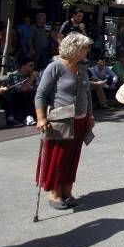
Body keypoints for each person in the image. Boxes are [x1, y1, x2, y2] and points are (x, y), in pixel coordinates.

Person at [33, 32, 95, 210]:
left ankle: (67, 192)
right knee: (58, 158)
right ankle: (55, 193)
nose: (87, 51)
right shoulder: (55, 67)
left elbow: (87, 94)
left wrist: (90, 116)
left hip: (80, 120)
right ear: (74, 48)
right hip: (60, 121)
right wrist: (41, 118)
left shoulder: (82, 69)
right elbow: (41, 94)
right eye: (84, 48)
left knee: (72, 157)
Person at [5, 58, 39, 126]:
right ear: (23, 66)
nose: (33, 68)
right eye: (30, 65)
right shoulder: (14, 75)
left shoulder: (31, 74)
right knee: (25, 94)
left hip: (29, 99)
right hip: (16, 99)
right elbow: (23, 89)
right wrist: (32, 77)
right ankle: (27, 117)